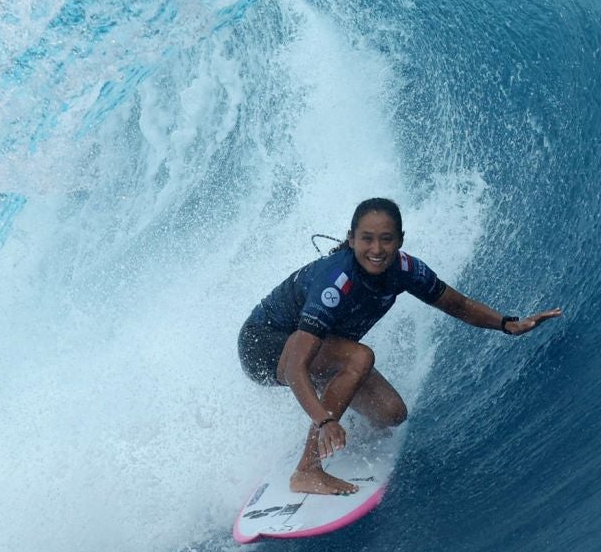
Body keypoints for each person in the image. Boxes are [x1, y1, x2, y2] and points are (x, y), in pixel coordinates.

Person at [238, 197, 561, 495]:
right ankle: (307, 469)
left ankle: (332, 427)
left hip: (316, 349)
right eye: (367, 239)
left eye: (386, 239)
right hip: (264, 345)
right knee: (359, 357)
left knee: (391, 415)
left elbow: (458, 304)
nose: (376, 248)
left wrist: (507, 323)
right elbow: (296, 367)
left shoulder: (406, 271)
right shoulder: (336, 282)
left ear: (400, 240)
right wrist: (324, 420)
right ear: (351, 239)